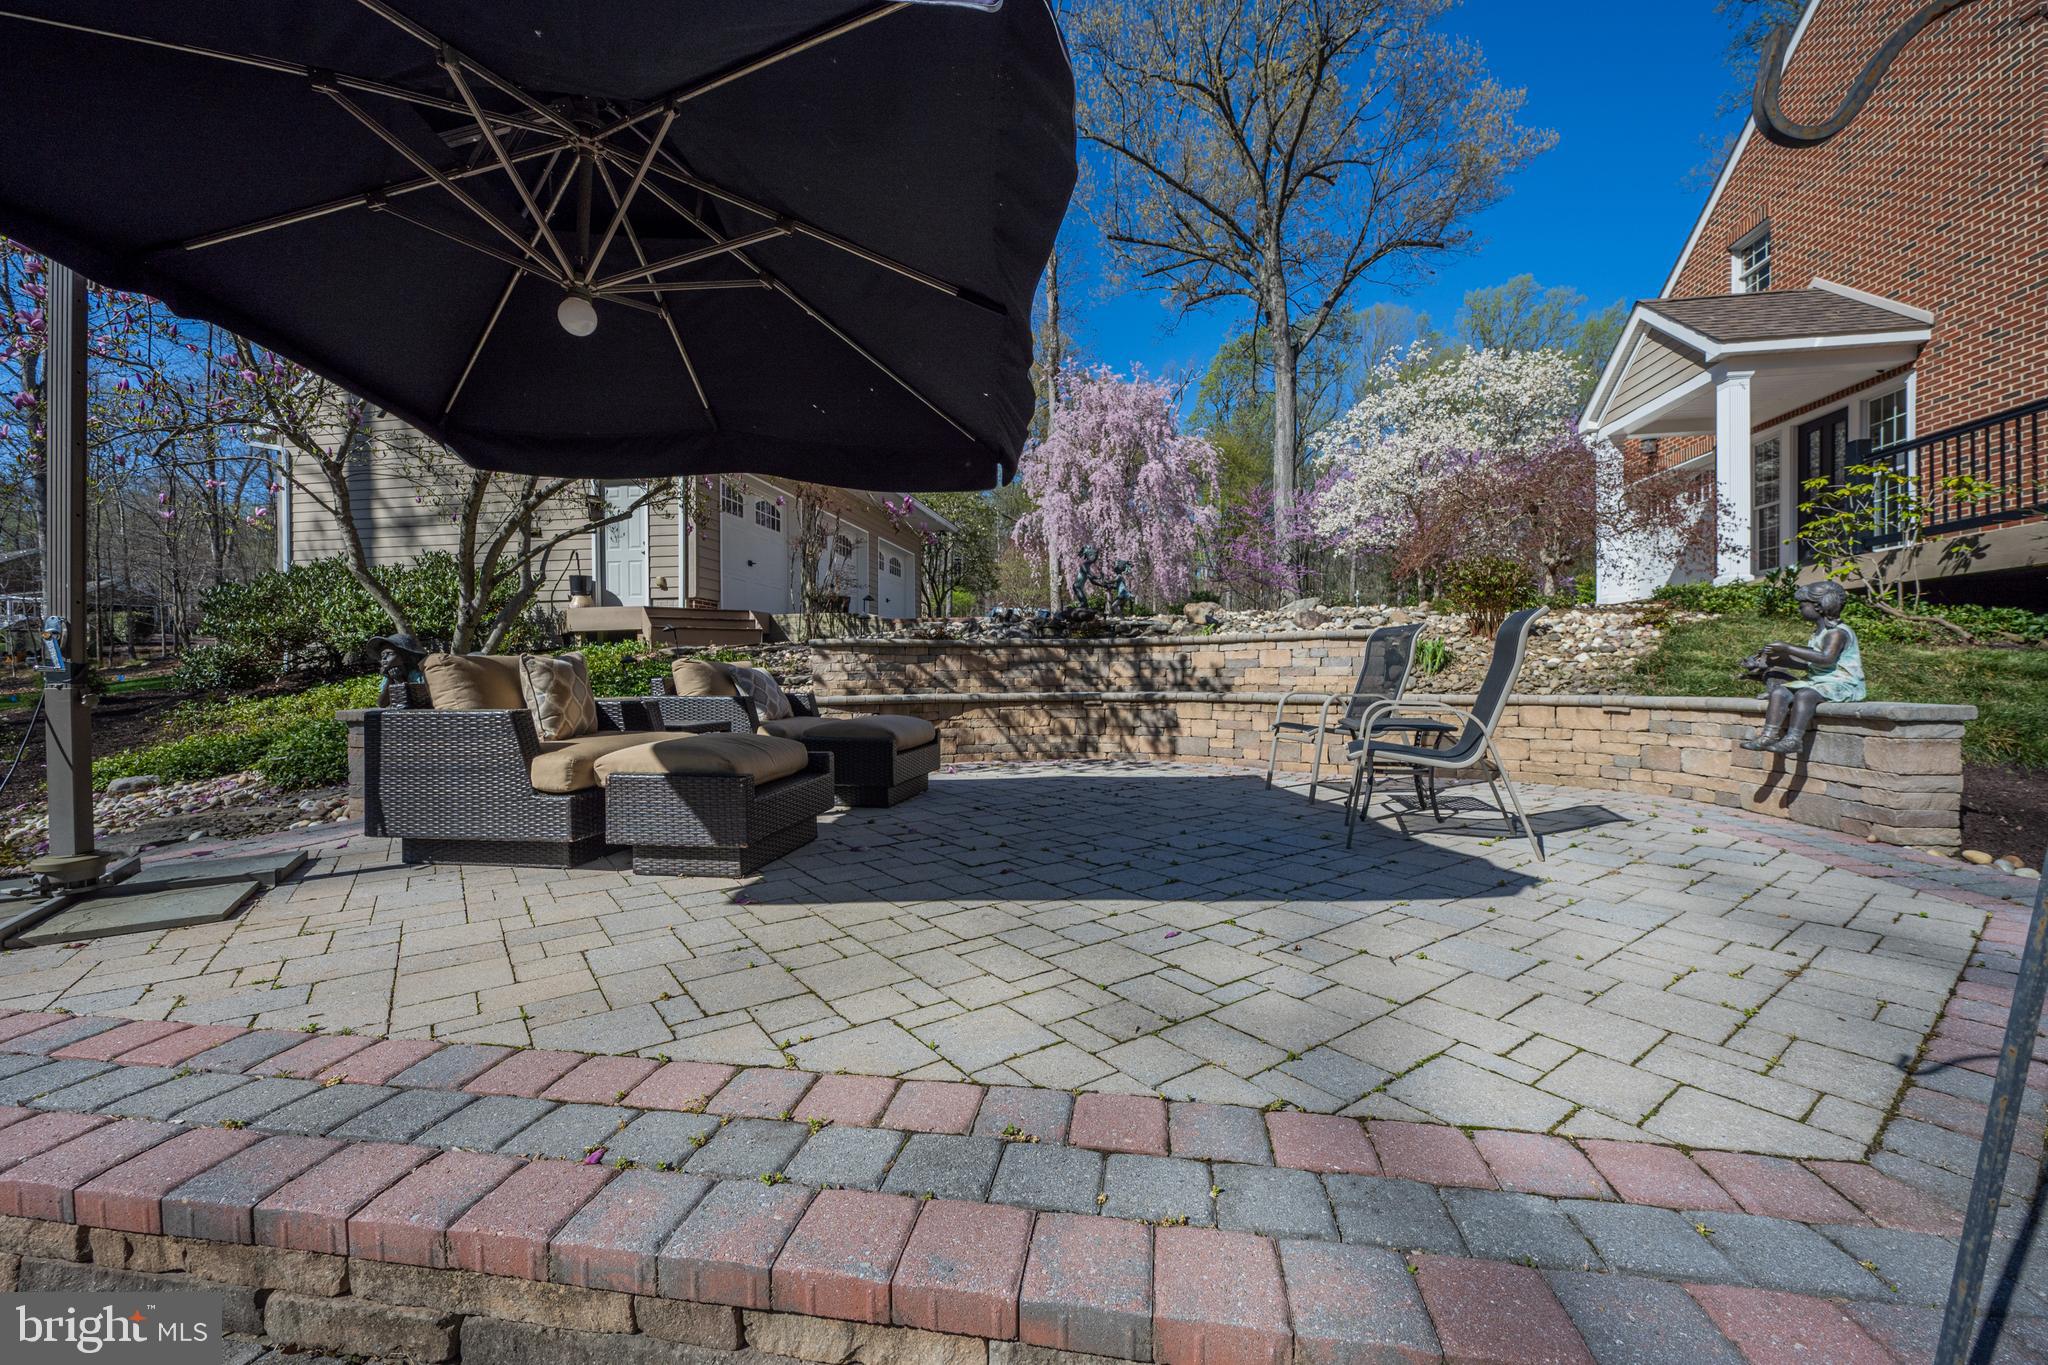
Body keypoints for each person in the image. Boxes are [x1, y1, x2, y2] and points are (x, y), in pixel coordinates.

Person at [1740, 581, 1866, 755]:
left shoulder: (1837, 632)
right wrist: (1771, 662)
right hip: (1819, 682)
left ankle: (1794, 740)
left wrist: (1788, 648)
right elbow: (1810, 663)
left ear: (1819, 606)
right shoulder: (1819, 633)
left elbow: (1826, 659)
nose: (1799, 609)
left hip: (1842, 683)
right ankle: (1769, 735)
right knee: (1779, 692)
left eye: (1802, 606)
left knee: (1805, 695)